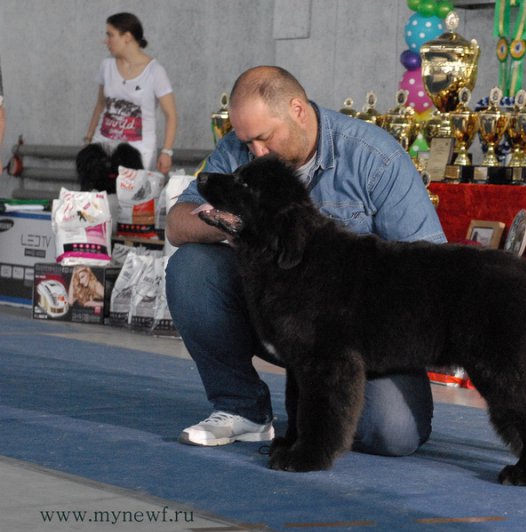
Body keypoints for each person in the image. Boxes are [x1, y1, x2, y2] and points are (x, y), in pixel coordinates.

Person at [165, 65, 446, 457]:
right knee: (191, 269)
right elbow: (177, 225)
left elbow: (428, 267)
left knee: (391, 435)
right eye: (248, 143)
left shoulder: (375, 159)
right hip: (278, 318)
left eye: (264, 138)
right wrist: (237, 226)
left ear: (297, 110)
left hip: (362, 337)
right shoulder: (237, 148)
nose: (256, 153)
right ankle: (241, 408)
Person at [83, 12, 177, 174]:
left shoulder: (155, 72)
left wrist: (166, 152)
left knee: (131, 197)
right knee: (97, 196)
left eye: (110, 35)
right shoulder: (106, 66)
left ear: (127, 37)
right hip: (103, 147)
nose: (105, 41)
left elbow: (171, 115)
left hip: (138, 152)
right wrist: (88, 139)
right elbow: (100, 105)